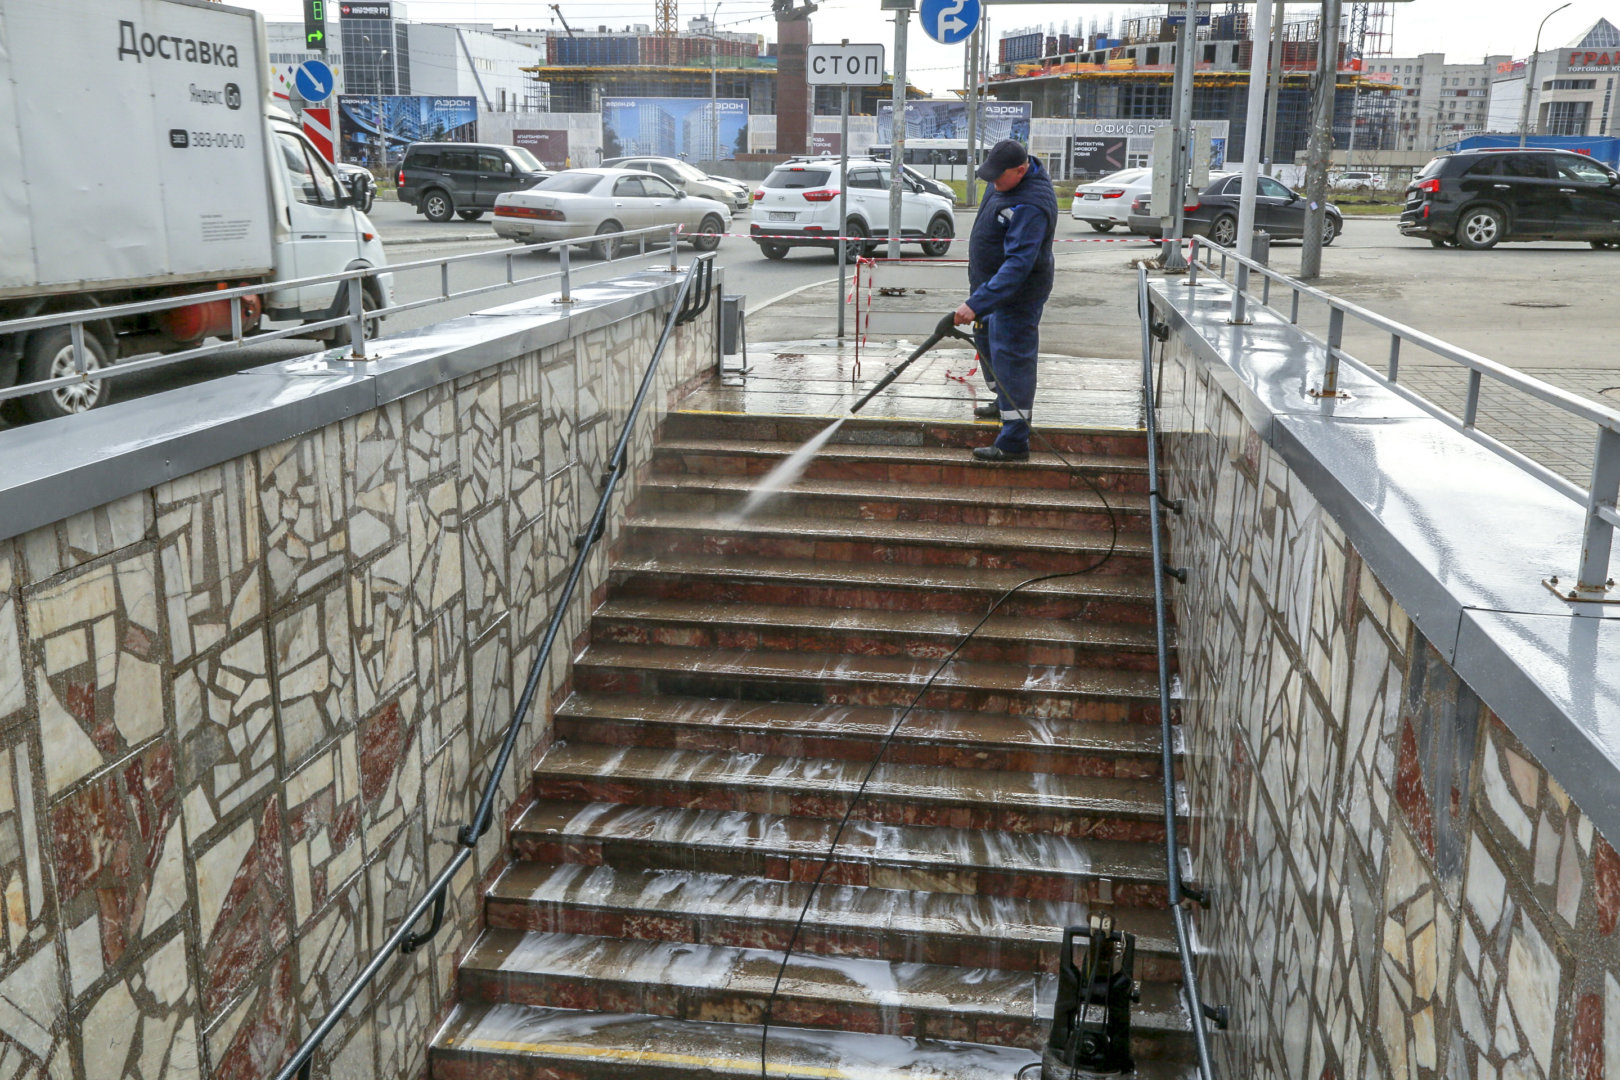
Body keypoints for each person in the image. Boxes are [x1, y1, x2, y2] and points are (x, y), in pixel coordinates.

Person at [953, 139, 1058, 463]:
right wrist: (981, 296)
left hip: (1016, 294)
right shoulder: (1005, 181)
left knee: (1012, 360)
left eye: (998, 178)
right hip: (991, 288)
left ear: (1021, 170)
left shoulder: (1030, 205)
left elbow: (1018, 265)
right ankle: (1002, 402)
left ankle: (1013, 442)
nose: (993, 183)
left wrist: (977, 302)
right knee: (988, 344)